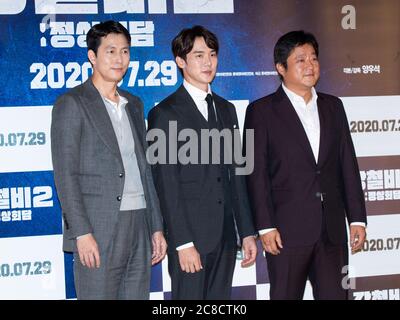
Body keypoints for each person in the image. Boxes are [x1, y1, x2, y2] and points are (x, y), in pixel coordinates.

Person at [244, 30, 367, 300]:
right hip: (286, 233)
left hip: (332, 231)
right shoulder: (261, 111)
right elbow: (256, 174)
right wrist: (265, 226)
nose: (309, 65)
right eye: (300, 60)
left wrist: (356, 218)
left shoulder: (334, 107)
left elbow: (347, 163)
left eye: (313, 58)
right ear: (280, 67)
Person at [51, 20, 166, 300]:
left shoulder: (134, 103)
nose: (119, 59)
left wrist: (156, 226)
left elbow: (145, 170)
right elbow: (66, 176)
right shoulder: (72, 103)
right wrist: (81, 232)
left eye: (125, 51)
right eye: (111, 51)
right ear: (92, 56)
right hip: (98, 228)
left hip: (139, 223)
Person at [147, 25, 257, 300]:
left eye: (212, 54)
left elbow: (238, 174)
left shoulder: (227, 109)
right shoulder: (163, 113)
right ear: (180, 61)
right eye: (198, 55)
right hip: (190, 239)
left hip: (225, 237)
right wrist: (182, 242)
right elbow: (166, 185)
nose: (208, 62)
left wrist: (246, 231)